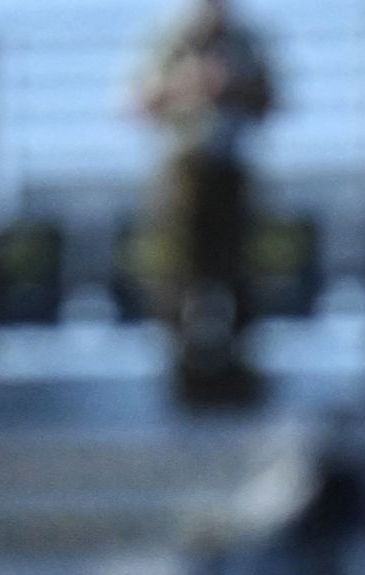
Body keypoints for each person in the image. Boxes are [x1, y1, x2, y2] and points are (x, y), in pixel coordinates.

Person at [131, 0, 280, 407]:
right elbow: (138, 100)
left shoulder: (245, 42)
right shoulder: (168, 41)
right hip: (182, 171)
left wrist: (232, 85)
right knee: (178, 277)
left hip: (231, 170)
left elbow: (270, 98)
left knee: (239, 272)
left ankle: (237, 367)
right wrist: (189, 85)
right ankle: (183, 370)